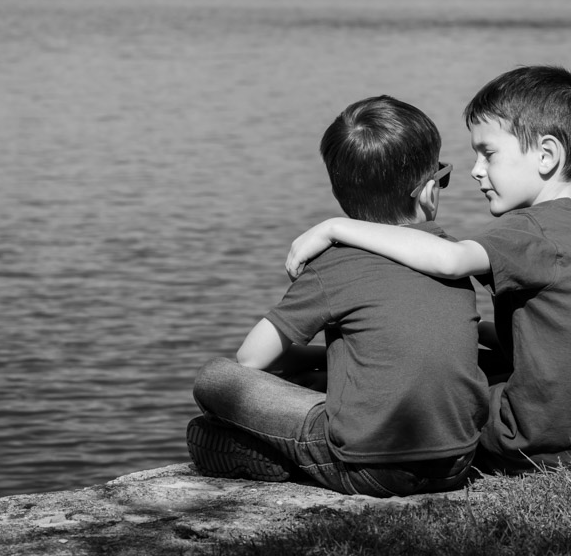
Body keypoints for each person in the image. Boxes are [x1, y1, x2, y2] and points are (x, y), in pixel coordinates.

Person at [287, 65, 571, 474]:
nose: (475, 170)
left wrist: (337, 227)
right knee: (472, 355)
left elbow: (449, 260)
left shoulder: (528, 229)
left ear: (547, 155)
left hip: (539, 440)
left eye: (488, 153)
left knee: (433, 385)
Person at [189, 95, 488, 497]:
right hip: (456, 461)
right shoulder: (448, 256)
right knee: (323, 377)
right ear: (428, 192)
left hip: (367, 467)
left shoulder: (336, 263)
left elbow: (251, 359)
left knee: (215, 378)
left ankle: (279, 457)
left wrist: (298, 363)